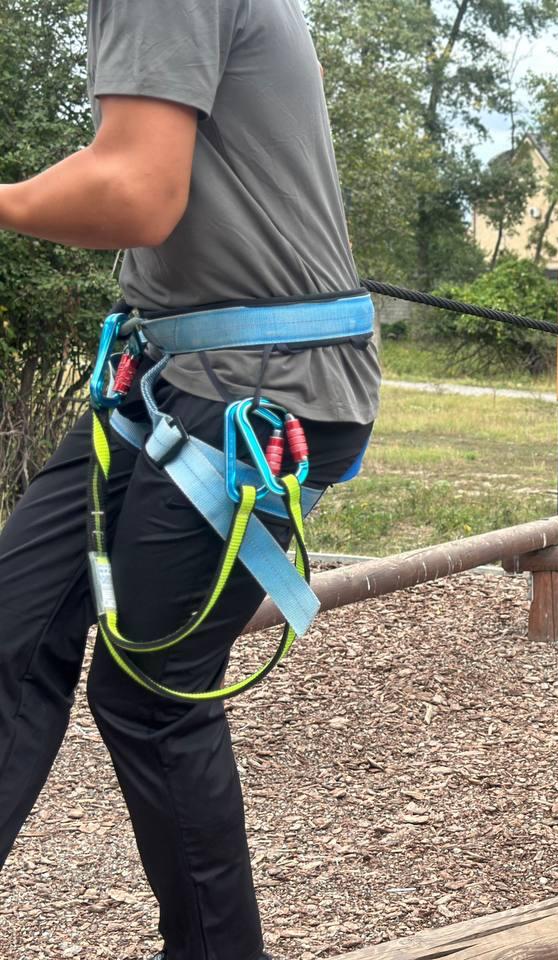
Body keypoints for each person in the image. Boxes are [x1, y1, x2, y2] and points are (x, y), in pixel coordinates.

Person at [0, 3, 379, 958]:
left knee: (153, 694)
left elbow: (136, 191)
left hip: (261, 387)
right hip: (172, 374)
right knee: (11, 630)